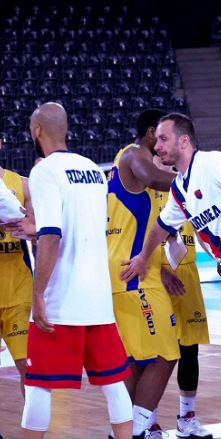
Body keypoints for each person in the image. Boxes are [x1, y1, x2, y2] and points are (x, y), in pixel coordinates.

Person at [120, 113, 221, 439]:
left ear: (184, 141)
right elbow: (161, 226)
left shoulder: (212, 164)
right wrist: (142, 257)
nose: (157, 145)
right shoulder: (180, 187)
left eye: (164, 138)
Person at [20, 102, 133, 439]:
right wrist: (35, 228)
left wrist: (38, 294)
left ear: (37, 130)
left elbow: (52, 235)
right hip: (98, 298)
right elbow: (78, 225)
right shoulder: (93, 170)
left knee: (38, 384)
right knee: (113, 384)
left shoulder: (44, 171)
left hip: (62, 296)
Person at [106, 108, 185, 437]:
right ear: (151, 133)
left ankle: (123, 432)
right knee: (166, 354)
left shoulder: (130, 167)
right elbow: (154, 178)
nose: (165, 144)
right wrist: (197, 180)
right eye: (163, 136)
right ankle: (136, 430)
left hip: (135, 271)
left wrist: (161, 268)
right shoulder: (134, 154)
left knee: (137, 360)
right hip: (133, 276)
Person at [151, 160, 213, 438]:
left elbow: (200, 224)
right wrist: (159, 270)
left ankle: (187, 417)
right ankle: (148, 421)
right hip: (153, 273)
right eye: (160, 140)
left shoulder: (184, 181)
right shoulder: (140, 181)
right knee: (153, 352)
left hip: (186, 271)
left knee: (190, 349)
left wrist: (217, 256)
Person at [0, 163, 33, 393]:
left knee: (30, 369)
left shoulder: (23, 185)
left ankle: (31, 418)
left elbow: (43, 235)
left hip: (19, 292)